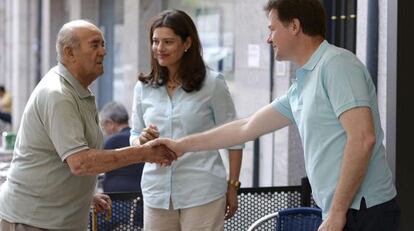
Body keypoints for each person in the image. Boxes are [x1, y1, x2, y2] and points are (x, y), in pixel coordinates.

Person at [149, 1, 400, 231]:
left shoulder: (337, 65)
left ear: (294, 26)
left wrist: (336, 212)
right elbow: (245, 127)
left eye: (272, 29)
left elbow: (362, 139)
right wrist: (180, 145)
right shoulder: (304, 82)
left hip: (364, 210)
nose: (268, 38)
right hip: (343, 210)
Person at [0, 20, 176, 231]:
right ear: (69, 53)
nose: (103, 51)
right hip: (33, 221)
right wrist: (144, 153)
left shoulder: (78, 91)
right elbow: (81, 162)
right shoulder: (58, 95)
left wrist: (87, 194)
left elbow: (63, 160)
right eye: (95, 45)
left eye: (103, 44)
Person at [129, 10, 243, 231]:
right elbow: (134, 134)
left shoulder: (213, 84)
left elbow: (235, 138)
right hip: (156, 191)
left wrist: (233, 186)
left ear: (187, 43)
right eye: (155, 41)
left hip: (203, 191)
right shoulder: (143, 87)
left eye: (168, 42)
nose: (159, 48)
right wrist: (140, 140)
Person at [99, 101, 144, 193]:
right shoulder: (139, 139)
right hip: (141, 196)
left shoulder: (111, 142)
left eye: (103, 126)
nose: (104, 131)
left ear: (110, 123)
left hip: (118, 200)